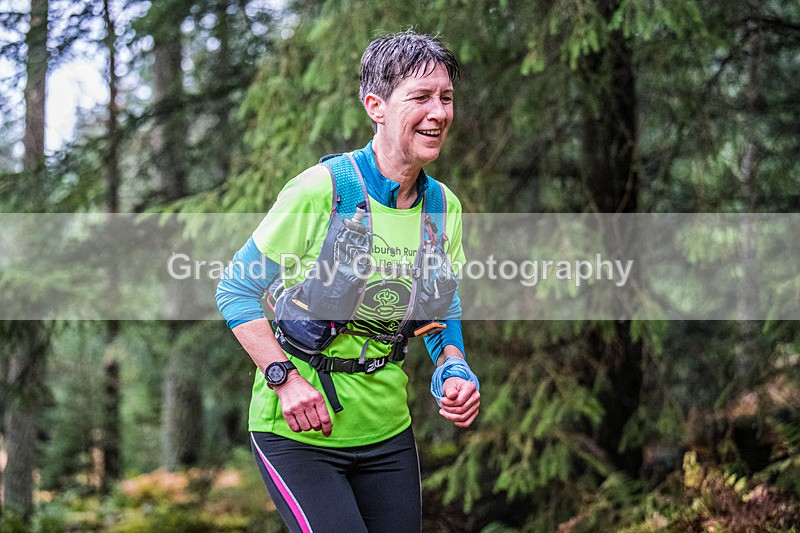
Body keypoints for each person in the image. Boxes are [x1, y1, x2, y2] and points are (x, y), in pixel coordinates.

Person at [216, 30, 480, 533]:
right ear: (375, 106)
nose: (440, 112)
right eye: (420, 97)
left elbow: (440, 306)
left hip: (386, 430)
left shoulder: (443, 206)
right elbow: (235, 289)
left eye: (446, 98)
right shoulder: (323, 190)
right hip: (298, 433)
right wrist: (284, 379)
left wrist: (454, 366)